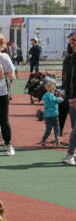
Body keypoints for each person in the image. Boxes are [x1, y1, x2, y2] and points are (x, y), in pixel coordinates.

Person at [61, 32, 76, 166]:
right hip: (72, 99)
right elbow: (65, 78)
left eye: (75, 40)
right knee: (74, 127)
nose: (73, 43)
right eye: (71, 40)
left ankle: (70, 154)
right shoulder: (69, 59)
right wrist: (66, 95)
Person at [39, 78, 63, 147]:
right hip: (53, 115)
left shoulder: (45, 95)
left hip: (47, 116)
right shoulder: (50, 96)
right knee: (56, 129)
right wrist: (61, 98)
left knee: (49, 130)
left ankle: (44, 140)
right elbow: (55, 100)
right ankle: (57, 142)